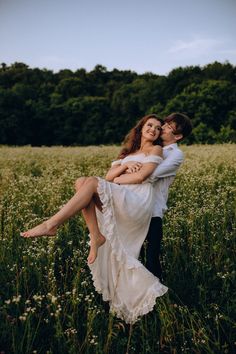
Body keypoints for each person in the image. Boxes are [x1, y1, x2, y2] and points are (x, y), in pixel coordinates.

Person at [21, 114, 168, 324]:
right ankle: (96, 236)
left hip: (137, 200)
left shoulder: (156, 150)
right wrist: (126, 166)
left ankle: (51, 224)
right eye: (149, 125)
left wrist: (120, 176)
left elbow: (141, 177)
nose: (153, 129)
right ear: (141, 127)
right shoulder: (128, 152)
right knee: (82, 182)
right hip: (122, 194)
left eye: (157, 128)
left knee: (89, 183)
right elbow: (109, 177)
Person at [141, 113, 193, 281]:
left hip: (152, 210)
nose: (162, 128)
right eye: (164, 124)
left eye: (169, 127)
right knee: (133, 256)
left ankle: (156, 301)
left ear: (177, 136)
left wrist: (131, 170)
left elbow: (149, 175)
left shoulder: (175, 154)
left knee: (151, 261)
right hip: (134, 205)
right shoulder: (150, 145)